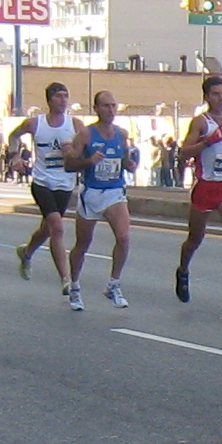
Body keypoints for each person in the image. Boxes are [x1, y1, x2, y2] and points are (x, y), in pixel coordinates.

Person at [171, 73, 222, 308]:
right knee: (195, 238)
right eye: (215, 94)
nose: (220, 98)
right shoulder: (201, 122)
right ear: (206, 97)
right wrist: (207, 141)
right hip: (206, 186)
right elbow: (184, 152)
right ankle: (183, 269)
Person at [6, 82, 82, 292]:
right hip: (42, 181)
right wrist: (15, 156)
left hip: (65, 183)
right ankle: (66, 280)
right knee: (57, 227)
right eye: (58, 96)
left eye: (65, 96)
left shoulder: (75, 124)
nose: (63, 100)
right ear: (49, 100)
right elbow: (13, 136)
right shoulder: (35, 123)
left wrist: (73, 152)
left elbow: (86, 148)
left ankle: (27, 252)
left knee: (47, 228)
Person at [62, 90, 133, 311]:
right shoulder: (86, 134)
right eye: (106, 106)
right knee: (83, 244)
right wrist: (89, 161)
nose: (110, 110)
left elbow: (126, 161)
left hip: (114, 191)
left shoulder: (121, 134)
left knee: (123, 237)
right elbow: (69, 165)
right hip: (91, 193)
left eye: (113, 106)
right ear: (96, 109)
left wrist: (130, 164)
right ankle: (74, 286)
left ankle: (113, 284)